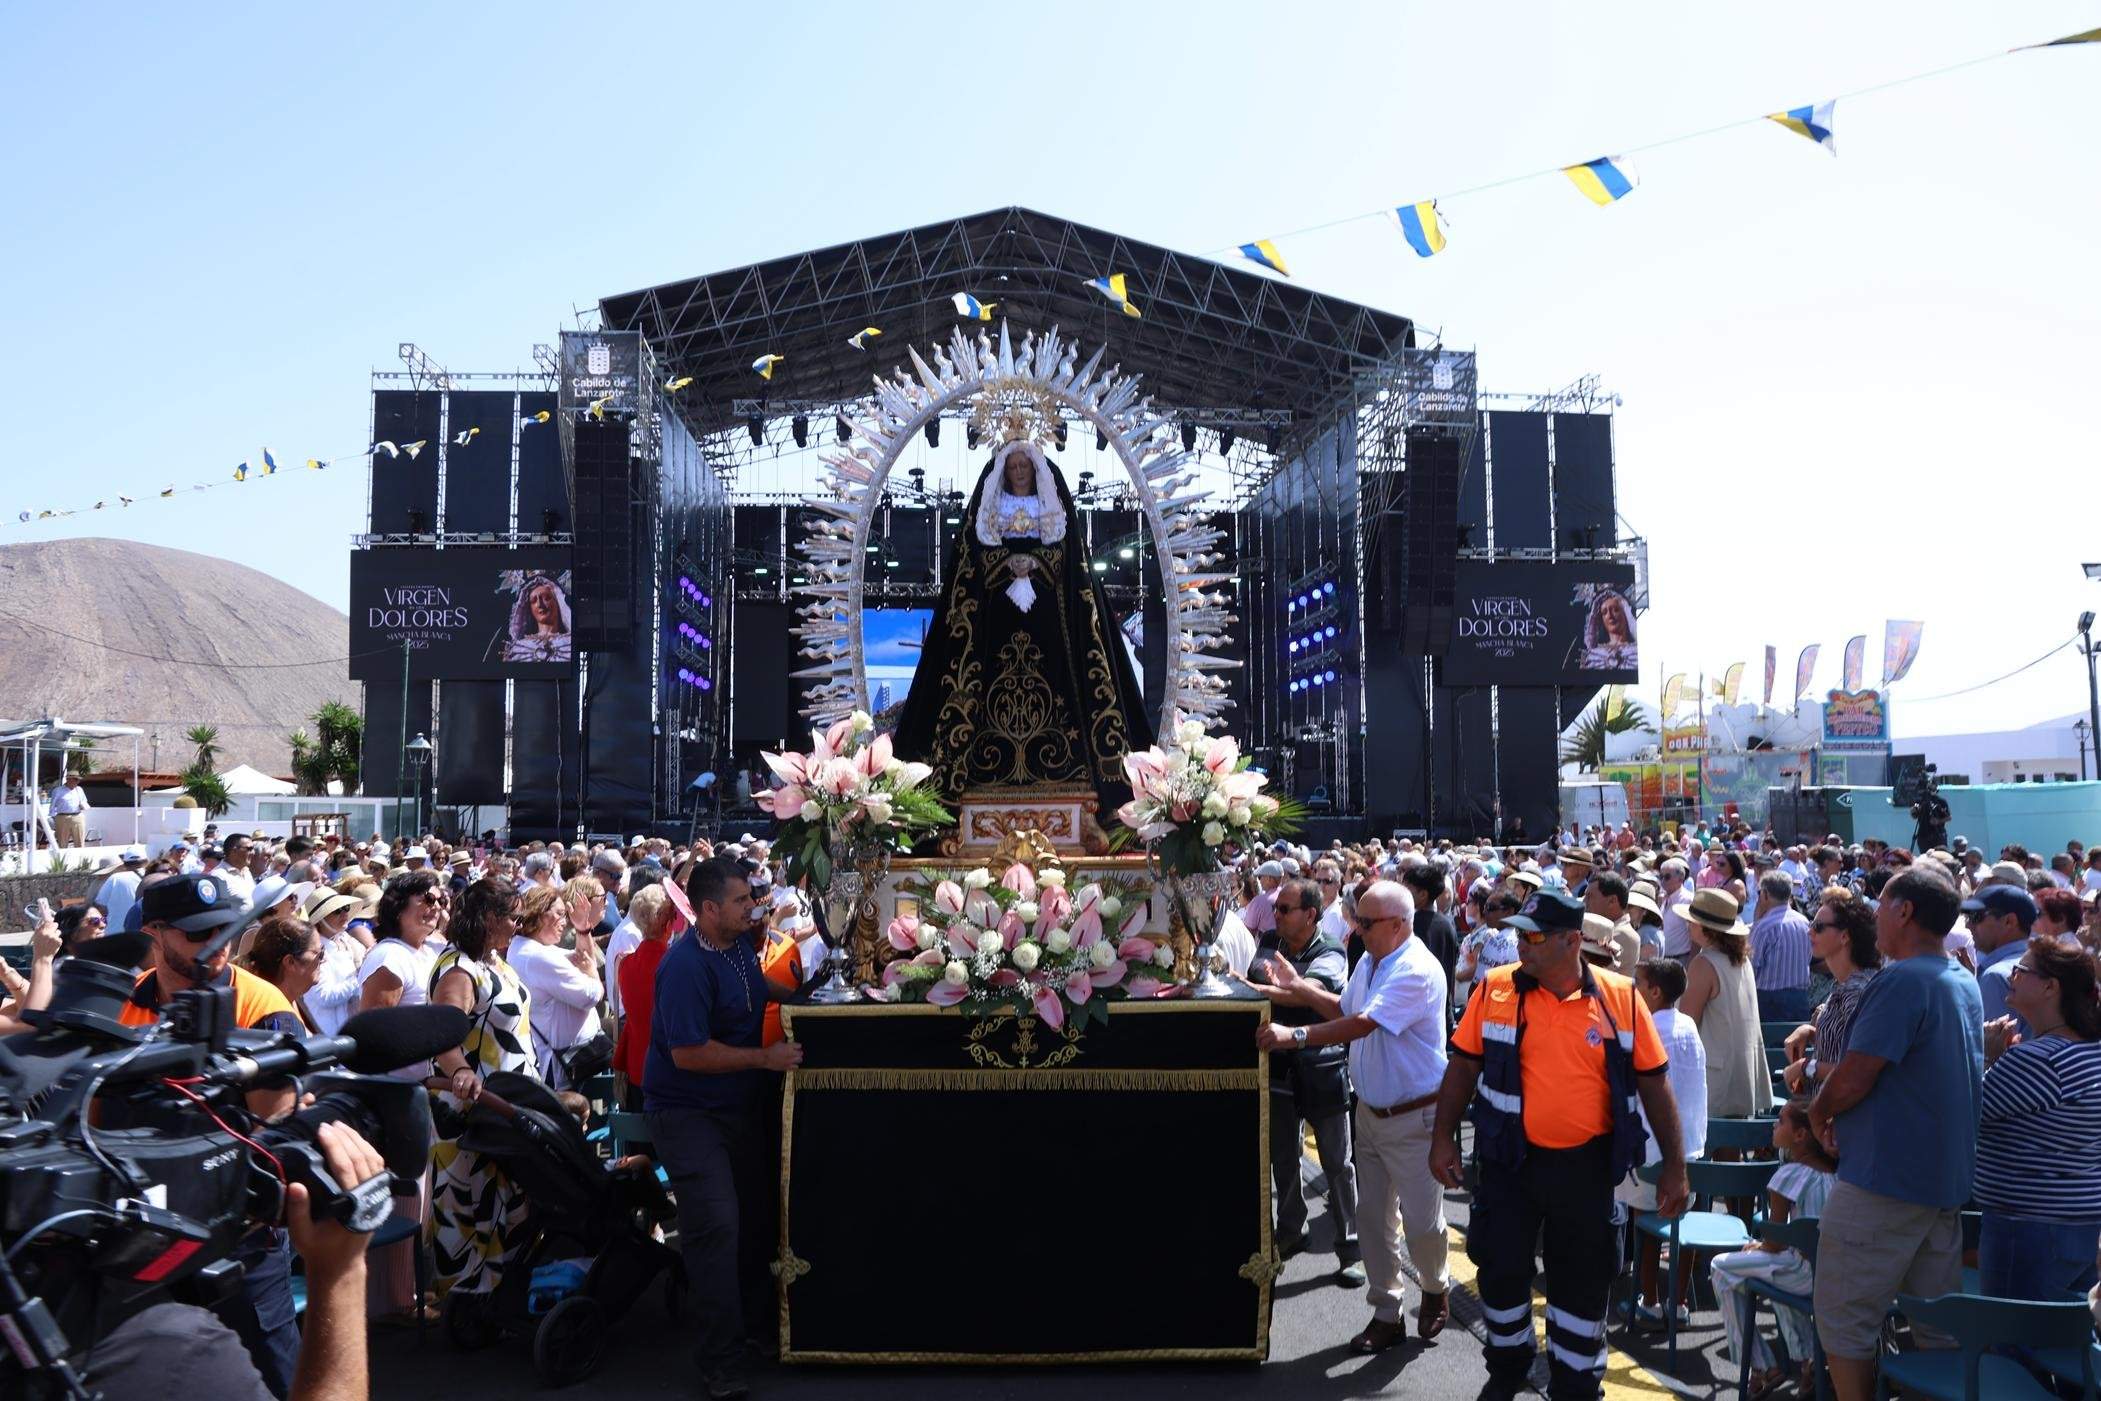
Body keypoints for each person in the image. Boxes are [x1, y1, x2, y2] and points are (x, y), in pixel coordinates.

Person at [1432, 887, 1686, 1401]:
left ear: (1573, 941)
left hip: (1585, 1170)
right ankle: (1508, 1362)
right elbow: (1462, 1066)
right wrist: (1442, 1138)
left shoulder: (1619, 997)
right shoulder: (1495, 989)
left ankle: (1576, 1382)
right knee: (1500, 1268)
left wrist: (1677, 1168)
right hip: (1508, 1162)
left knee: (1583, 1280)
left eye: (1536, 936)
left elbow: (1656, 1084)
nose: (1522, 945)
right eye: (1521, 934)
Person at [888, 424, 1149, 815]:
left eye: (1025, 465)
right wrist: (1006, 563)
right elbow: (972, 558)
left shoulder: (1052, 505)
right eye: (1013, 467)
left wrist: (1037, 562)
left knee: (1069, 685)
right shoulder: (989, 509)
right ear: (1004, 471)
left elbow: (1069, 556)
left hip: (1051, 623)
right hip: (994, 621)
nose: (1020, 472)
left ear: (1035, 468)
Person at [120, 874, 306, 1396]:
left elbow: (278, 1131)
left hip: (242, 1242)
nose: (217, 946)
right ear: (155, 934)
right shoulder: (123, 1004)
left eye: (225, 930)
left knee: (273, 1374)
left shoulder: (261, 1006)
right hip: (150, 1239)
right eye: (198, 934)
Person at [1808, 865, 1982, 1401]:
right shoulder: (1961, 978)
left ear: (1904, 911)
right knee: (1935, 1328)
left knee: (1843, 1321)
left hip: (1884, 1184)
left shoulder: (1902, 979)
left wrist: (1819, 1112)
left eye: (1882, 903)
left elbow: (1856, 1073)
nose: (1874, 913)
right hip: (1938, 1185)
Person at [1258, 879, 1445, 1348]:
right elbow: (1343, 1006)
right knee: (1373, 1216)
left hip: (1414, 1116)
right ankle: (1387, 1312)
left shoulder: (1415, 969)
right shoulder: (1370, 958)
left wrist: (1294, 1036)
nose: (1357, 928)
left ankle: (1436, 1286)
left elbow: (1361, 1024)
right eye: (1356, 918)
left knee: (1422, 1224)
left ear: (1400, 925)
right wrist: (1300, 988)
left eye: (1366, 921)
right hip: (1371, 1112)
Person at [646, 859, 804, 1400]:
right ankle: (719, 1359)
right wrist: (764, 1059)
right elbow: (688, 1055)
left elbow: (759, 990)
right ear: (710, 909)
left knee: (757, 1221)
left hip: (735, 1108)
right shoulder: (685, 966)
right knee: (716, 1226)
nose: (751, 908)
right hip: (688, 1113)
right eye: (741, 902)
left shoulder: (736, 946)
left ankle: (755, 1329)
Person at [84, 1120, 382, 1401]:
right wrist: (342, 1270)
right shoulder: (179, 1348)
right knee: (277, 1368)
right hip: (238, 1255)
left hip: (140, 1249)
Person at [1244, 879, 1360, 1286]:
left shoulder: (1331, 948)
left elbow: (1310, 994)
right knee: (1282, 1156)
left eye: (1285, 908)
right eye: (1276, 908)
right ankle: (1293, 1229)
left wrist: (1262, 988)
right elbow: (1265, 972)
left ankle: (1350, 1245)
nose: (1276, 914)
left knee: (1337, 1160)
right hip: (1277, 1067)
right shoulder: (1270, 939)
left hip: (1322, 1066)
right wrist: (1277, 985)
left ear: (1310, 915)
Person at [427, 877, 537, 1301]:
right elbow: (442, 1033)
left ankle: (498, 1296)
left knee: (505, 1204)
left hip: (504, 1107)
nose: (518, 924)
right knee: (472, 1206)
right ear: (490, 919)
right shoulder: (460, 970)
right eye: (513, 916)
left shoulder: (492, 960)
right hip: (472, 1110)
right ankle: (468, 1302)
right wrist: (460, 1073)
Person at [1975, 936, 2101, 1300]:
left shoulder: (2037, 1060)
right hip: (2083, 1224)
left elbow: (1965, 1113)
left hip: (2028, 1228)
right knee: (2062, 1344)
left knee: (2013, 1345)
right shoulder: (2088, 1050)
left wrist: (1987, 1056)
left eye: (2022, 970)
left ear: (2050, 987)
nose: (2011, 975)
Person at [1709, 1104, 1837, 1398]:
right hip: (1835, 1272)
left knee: (1721, 1268)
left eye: (1780, 1122)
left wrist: (1758, 1246)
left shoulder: (1788, 1176)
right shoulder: (1838, 1173)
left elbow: (1776, 1242)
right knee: (1770, 1268)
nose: (1773, 1127)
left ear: (1800, 1135)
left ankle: (1763, 1366)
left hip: (1803, 1272)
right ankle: (1808, 1362)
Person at [1616, 956, 1707, 1330]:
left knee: (1646, 1220)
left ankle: (1651, 1300)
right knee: (1680, 1220)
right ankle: (1680, 1301)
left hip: (1652, 1145)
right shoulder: (1689, 1026)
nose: (1633, 989)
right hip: (1692, 1145)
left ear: (1654, 990)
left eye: (1638, 983)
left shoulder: (1645, 1027)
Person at [1679, 889, 1774, 1118]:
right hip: (1740, 1070)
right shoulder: (1741, 961)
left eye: (1692, 921)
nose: (1688, 925)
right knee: (1730, 1150)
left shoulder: (1704, 963)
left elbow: (1685, 1023)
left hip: (1714, 1076)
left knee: (1703, 1147)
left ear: (1705, 928)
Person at [507, 879, 606, 1087]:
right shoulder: (536, 956)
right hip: (564, 1069)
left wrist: (582, 930)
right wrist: (591, 973)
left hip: (575, 1060)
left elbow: (582, 956)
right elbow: (591, 996)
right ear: (540, 915)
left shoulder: (530, 947)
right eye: (560, 913)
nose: (564, 920)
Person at [1783, 888, 1882, 1094]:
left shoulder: (1856, 990)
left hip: (1841, 1118)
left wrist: (1805, 1067)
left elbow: (1862, 1070)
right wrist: (1811, 1032)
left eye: (1818, 927)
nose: (1810, 931)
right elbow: (1844, 1039)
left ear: (1845, 936)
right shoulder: (1846, 983)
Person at [354, 872, 445, 1080]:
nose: (437, 907)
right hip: (401, 1085)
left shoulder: (430, 950)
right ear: (398, 907)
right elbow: (373, 1034)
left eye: (442, 900)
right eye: (429, 899)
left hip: (431, 1082)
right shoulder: (389, 958)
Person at [614, 884, 678, 1109]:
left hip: (636, 1066)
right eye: (672, 913)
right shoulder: (674, 963)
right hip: (667, 1070)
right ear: (662, 918)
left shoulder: (626, 963)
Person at [1963, 883, 2039, 1031]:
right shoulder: (2043, 961)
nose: (1968, 925)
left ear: (2009, 921)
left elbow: (1996, 1049)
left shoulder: (1996, 976)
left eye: (1976, 917)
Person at [236, 917, 324, 1031]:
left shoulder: (291, 1003)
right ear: (290, 962)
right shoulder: (277, 1020)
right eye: (319, 953)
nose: (323, 959)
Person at [1747, 871, 1812, 1024]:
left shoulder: (1764, 927)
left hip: (1769, 1001)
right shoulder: (1804, 922)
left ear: (1765, 894)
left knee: (1771, 1046)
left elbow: (1751, 966)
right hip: (1800, 998)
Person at [502, 572, 573, 662]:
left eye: (546, 598)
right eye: (534, 601)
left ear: (558, 602)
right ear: (529, 608)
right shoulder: (518, 648)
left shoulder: (570, 643)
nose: (540, 604)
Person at [95, 844, 148, 927]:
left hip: (115, 934)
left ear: (125, 863)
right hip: (144, 935)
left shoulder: (115, 878)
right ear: (146, 861)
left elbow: (100, 908)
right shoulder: (153, 877)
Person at [48, 770, 89, 847]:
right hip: (63, 817)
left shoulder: (79, 789)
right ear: (68, 779)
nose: (77, 782)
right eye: (75, 779)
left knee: (80, 842)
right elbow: (52, 806)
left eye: (78, 780)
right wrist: (55, 818)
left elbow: (85, 802)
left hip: (77, 816)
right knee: (62, 843)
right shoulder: (58, 790)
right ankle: (63, 859)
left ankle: (80, 858)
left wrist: (83, 806)